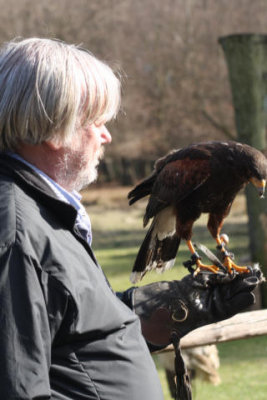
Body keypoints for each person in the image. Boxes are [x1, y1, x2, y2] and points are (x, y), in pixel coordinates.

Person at [0, 37, 261, 400]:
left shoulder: (44, 212)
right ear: (52, 128)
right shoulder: (16, 233)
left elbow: (74, 330)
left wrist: (170, 308)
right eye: (95, 121)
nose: (107, 136)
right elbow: (18, 388)